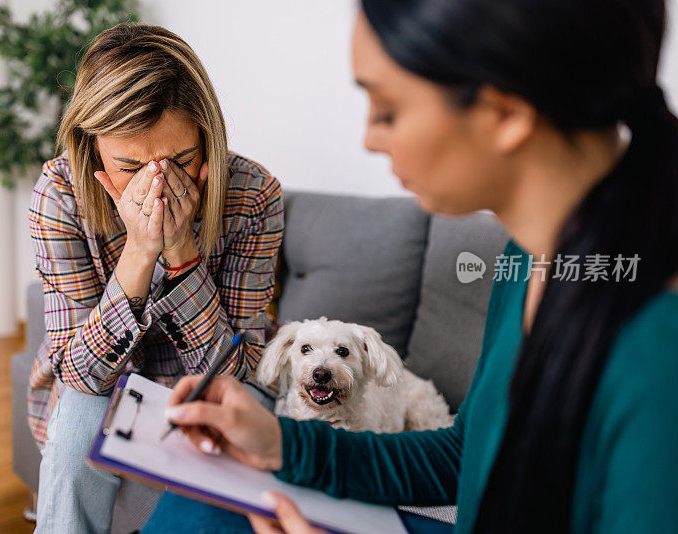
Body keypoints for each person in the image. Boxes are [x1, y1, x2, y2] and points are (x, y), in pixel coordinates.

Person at [142, 1, 678, 533]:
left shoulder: (655, 351)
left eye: (387, 109)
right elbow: (466, 457)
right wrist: (282, 443)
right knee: (196, 501)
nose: (369, 138)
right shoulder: (525, 260)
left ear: (506, 113)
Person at [27, 24, 284, 533]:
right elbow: (79, 375)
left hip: (210, 383)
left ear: (207, 142)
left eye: (181, 161)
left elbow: (243, 373)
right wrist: (141, 252)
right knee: (78, 421)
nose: (157, 186)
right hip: (100, 386)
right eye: (129, 165)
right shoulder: (60, 195)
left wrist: (182, 253)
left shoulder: (253, 195)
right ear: (92, 148)